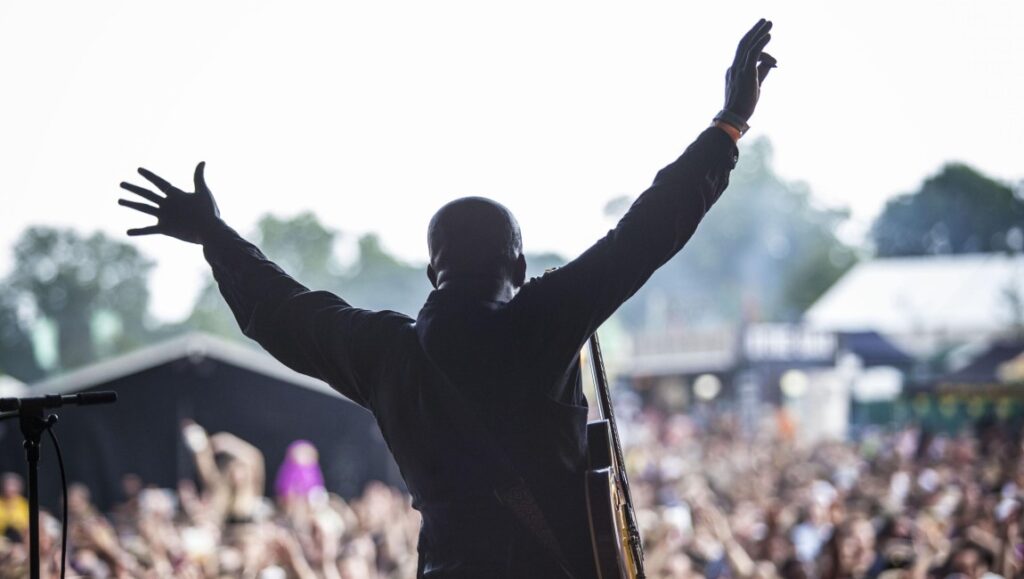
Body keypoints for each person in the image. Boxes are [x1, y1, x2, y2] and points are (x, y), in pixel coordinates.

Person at [117, 19, 776, 578]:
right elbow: (647, 231)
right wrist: (728, 125)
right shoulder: (543, 320)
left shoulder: (385, 354)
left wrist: (214, 236)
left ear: (434, 272)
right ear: (519, 265)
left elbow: (281, 312)